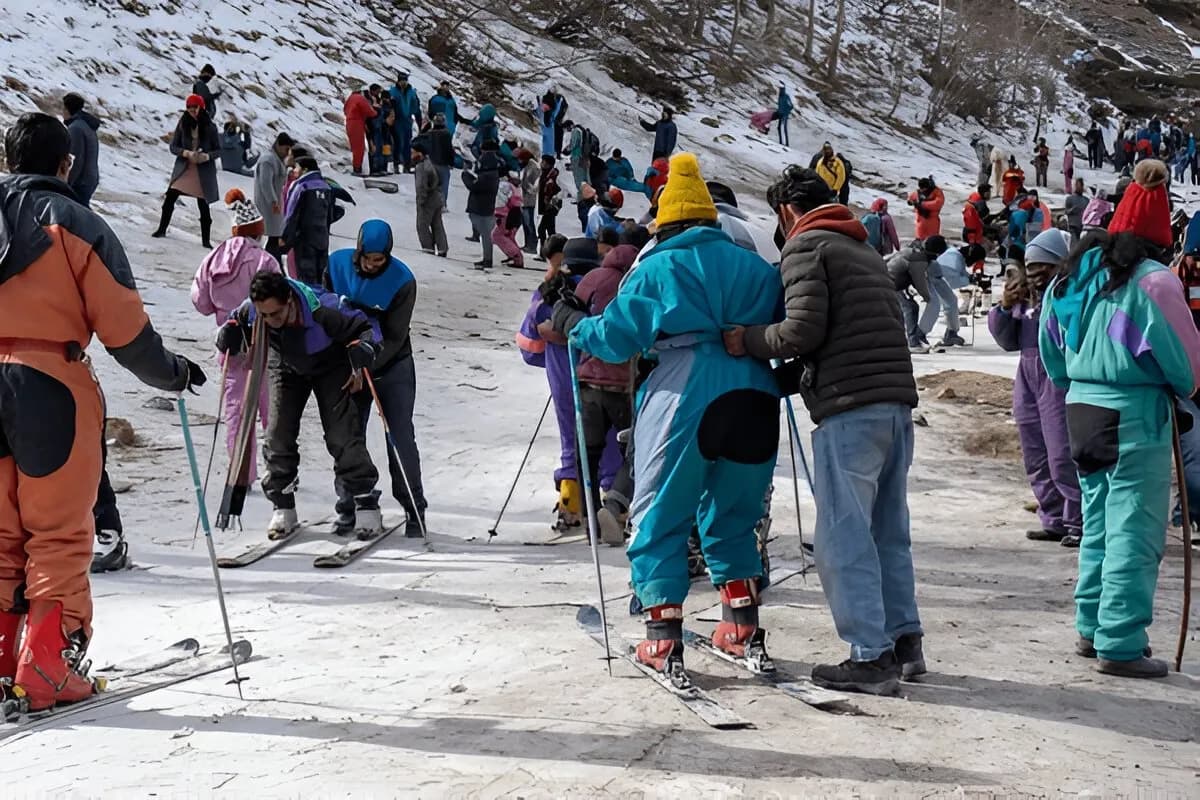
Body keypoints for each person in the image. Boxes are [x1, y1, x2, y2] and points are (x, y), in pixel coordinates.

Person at [0, 112, 205, 710]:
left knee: (2, 533)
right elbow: (126, 333)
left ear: (9, 159)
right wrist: (173, 373)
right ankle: (47, 663)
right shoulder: (77, 224)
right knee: (58, 530)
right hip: (49, 384)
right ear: (67, 164)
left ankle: (4, 654)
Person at [570, 153, 783, 676]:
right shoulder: (758, 268)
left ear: (666, 224)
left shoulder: (660, 266)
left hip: (686, 390)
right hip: (756, 391)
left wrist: (576, 325)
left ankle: (662, 638)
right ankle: (741, 626)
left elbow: (617, 337)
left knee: (661, 514)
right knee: (735, 514)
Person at [723, 165, 922, 696]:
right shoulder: (862, 248)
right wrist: (784, 381)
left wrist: (748, 341)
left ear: (787, 210)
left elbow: (802, 331)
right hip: (894, 404)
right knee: (887, 531)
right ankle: (904, 641)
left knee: (843, 535)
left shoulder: (807, 245)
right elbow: (839, 338)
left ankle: (870, 656)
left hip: (850, 410)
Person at [1039, 159, 1200, 679]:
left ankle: (1091, 626)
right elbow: (1187, 365)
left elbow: (1050, 351)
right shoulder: (1154, 282)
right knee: (1135, 527)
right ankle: (1122, 641)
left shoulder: (1072, 276)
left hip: (1081, 407)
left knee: (1099, 522)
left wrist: (1077, 381)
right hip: (1134, 413)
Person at [216, 271, 381, 538]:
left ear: (290, 301)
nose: (270, 320)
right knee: (277, 434)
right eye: (264, 315)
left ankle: (365, 502)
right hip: (285, 366)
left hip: (331, 365)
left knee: (341, 435)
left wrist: (365, 346)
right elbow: (235, 321)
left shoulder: (324, 309)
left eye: (276, 314)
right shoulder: (255, 310)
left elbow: (366, 327)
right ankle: (283, 506)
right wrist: (229, 333)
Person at [327, 221, 427, 538]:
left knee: (399, 436)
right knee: (348, 436)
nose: (373, 265)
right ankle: (350, 504)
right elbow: (325, 310)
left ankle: (414, 508)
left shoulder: (402, 281)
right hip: (350, 366)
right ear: (358, 252)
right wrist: (348, 366)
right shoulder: (336, 265)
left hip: (392, 365)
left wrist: (365, 366)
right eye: (368, 259)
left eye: (379, 260)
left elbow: (395, 337)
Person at [987, 229, 1081, 547]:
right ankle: (1053, 518)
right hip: (1027, 376)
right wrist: (1003, 308)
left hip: (1057, 376)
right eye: (1032, 267)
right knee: (1035, 452)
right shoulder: (1027, 298)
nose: (1037, 273)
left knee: (1061, 451)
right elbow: (1007, 341)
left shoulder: (1069, 294)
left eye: (1044, 266)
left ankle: (1078, 520)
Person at [544, 243, 639, 545]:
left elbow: (563, 321)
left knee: (587, 456)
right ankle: (617, 507)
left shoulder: (593, 279)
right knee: (635, 451)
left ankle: (590, 522)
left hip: (588, 381)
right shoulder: (639, 279)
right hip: (625, 384)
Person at [191, 189, 279, 485]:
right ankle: (279, 470)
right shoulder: (265, 261)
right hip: (262, 344)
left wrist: (223, 312)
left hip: (229, 346)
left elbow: (200, 302)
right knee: (271, 409)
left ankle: (242, 473)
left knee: (235, 411)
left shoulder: (212, 259)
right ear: (258, 232)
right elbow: (279, 300)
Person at [152, 94, 220, 247]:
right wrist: (186, 153)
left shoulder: (210, 127)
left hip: (202, 172)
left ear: (201, 107)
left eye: (195, 107)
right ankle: (161, 229)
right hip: (185, 168)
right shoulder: (183, 123)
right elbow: (173, 147)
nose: (192, 111)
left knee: (203, 206)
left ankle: (206, 241)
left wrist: (206, 156)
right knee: (170, 198)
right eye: (189, 108)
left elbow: (218, 150)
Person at [281, 155, 341, 286]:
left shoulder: (301, 186)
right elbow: (330, 215)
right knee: (321, 276)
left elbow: (292, 214)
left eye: (296, 167)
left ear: (305, 169)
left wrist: (285, 237)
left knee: (306, 280)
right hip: (322, 239)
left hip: (304, 239)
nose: (294, 171)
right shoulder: (327, 187)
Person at [888, 236, 947, 352]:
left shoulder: (915, 250)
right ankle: (913, 343)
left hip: (891, 280)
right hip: (891, 282)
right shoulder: (920, 258)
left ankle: (905, 339)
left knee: (905, 308)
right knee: (911, 308)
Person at [254, 132, 294, 264]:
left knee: (273, 237)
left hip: (275, 204)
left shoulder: (276, 159)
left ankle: (271, 263)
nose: (287, 153)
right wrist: (273, 201)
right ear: (278, 145)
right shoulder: (268, 160)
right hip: (268, 205)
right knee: (271, 237)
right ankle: (271, 263)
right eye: (286, 149)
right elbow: (265, 183)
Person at [405, 141, 448, 258]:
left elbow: (421, 186)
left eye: (413, 152)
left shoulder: (421, 167)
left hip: (428, 200)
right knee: (437, 224)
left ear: (419, 153)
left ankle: (428, 247)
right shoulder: (430, 163)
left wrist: (421, 200)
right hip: (437, 197)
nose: (411, 155)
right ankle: (442, 248)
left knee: (422, 225)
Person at [463, 140, 500, 268]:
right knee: (486, 234)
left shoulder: (486, 175)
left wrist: (466, 175)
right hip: (487, 205)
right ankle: (487, 258)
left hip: (481, 206)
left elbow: (475, 186)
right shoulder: (493, 171)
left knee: (485, 234)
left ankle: (487, 259)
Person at [62, 93, 100, 207]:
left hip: (80, 182)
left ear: (67, 109)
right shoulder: (86, 125)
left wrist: (67, 183)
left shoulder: (75, 129)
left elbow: (75, 159)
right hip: (89, 179)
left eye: (63, 108)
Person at [389, 72, 422, 174]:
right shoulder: (393, 92)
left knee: (407, 143)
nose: (403, 83)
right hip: (397, 120)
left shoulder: (411, 92)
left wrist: (418, 120)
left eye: (405, 80)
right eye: (401, 80)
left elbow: (416, 106)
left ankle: (407, 165)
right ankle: (396, 164)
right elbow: (389, 105)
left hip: (407, 120)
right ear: (398, 81)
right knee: (398, 142)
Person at [494, 165, 525, 268]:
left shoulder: (503, 185)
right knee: (508, 236)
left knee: (497, 235)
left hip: (506, 214)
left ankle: (516, 256)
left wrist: (499, 215)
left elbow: (500, 202)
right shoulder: (514, 185)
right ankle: (514, 256)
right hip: (517, 213)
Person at [343, 85, 377, 176]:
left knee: (355, 147)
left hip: (349, 122)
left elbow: (345, 110)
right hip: (357, 123)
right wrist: (376, 112)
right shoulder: (360, 98)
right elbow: (369, 111)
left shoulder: (350, 98)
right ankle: (357, 168)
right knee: (359, 147)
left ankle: (357, 167)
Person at [536, 155, 562, 257]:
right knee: (550, 230)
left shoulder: (552, 176)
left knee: (542, 229)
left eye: (543, 162)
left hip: (550, 206)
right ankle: (553, 252)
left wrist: (549, 202)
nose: (541, 164)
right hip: (547, 206)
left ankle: (545, 252)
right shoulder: (546, 174)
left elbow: (552, 191)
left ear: (548, 164)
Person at [427, 113, 454, 206]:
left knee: (432, 184)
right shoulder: (446, 134)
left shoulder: (430, 133)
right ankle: (442, 204)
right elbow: (449, 149)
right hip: (443, 163)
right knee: (443, 185)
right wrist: (451, 162)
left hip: (431, 162)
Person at [517, 148, 540, 255]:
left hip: (529, 200)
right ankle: (527, 244)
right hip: (523, 199)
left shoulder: (533, 168)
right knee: (525, 224)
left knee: (529, 223)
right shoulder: (526, 166)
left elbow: (532, 186)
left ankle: (532, 245)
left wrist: (523, 184)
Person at [541, 88, 570, 154]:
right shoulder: (557, 101)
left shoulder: (549, 99)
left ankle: (556, 151)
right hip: (553, 117)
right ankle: (556, 151)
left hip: (552, 116)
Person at [1063, 178, 1089, 243]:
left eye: (1080, 186)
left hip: (1083, 227)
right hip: (1072, 227)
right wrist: (1072, 210)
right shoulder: (1069, 198)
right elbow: (1066, 212)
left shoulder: (1086, 200)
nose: (1078, 188)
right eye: (1076, 185)